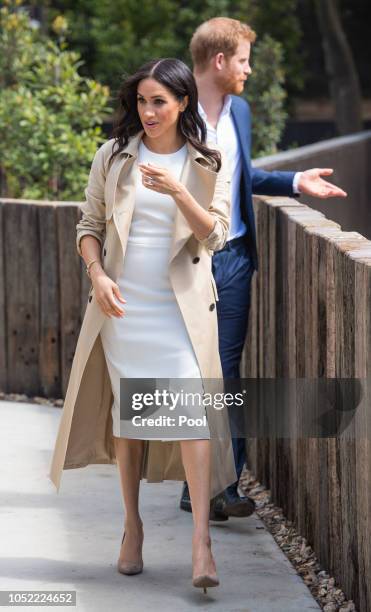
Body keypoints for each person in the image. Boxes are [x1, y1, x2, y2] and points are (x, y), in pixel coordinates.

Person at [49, 57, 238, 593]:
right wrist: (98, 276)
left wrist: (178, 190)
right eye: (141, 101)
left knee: (193, 418)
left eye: (160, 101)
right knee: (130, 423)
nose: (149, 111)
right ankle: (132, 527)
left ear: (183, 103)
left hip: (181, 311)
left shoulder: (207, 162)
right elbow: (88, 225)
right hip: (125, 308)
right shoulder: (113, 155)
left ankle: (202, 540)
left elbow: (215, 236)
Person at [180, 17, 347, 520]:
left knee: (226, 371)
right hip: (183, 260)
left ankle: (222, 485)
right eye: (245, 60)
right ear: (220, 61)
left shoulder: (242, 111)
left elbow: (241, 175)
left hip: (233, 256)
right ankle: (192, 481)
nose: (249, 70)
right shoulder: (170, 108)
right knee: (189, 372)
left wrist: (296, 180)